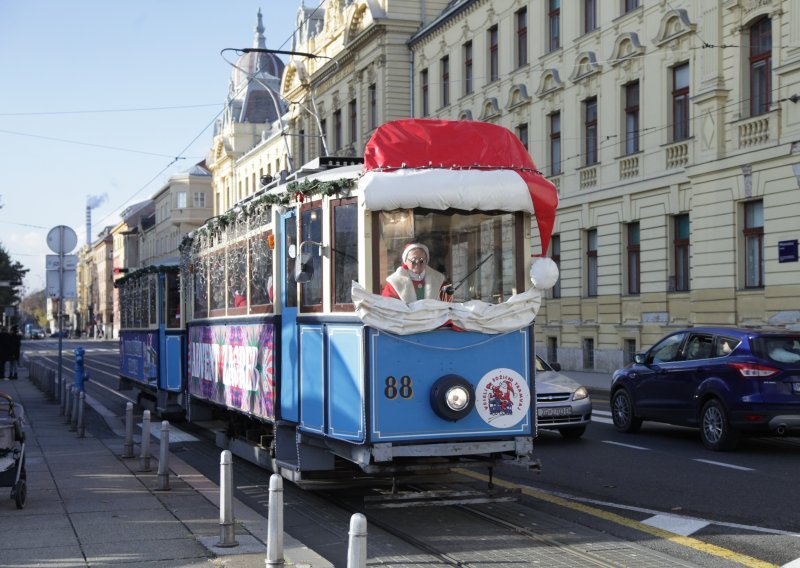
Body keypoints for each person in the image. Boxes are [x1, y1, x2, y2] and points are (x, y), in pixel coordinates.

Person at [381, 243, 452, 303]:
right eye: (413, 260)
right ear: (406, 261)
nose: (417, 264)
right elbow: (387, 309)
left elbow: (447, 308)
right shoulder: (395, 282)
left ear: (426, 261)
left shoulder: (438, 280)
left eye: (421, 260)